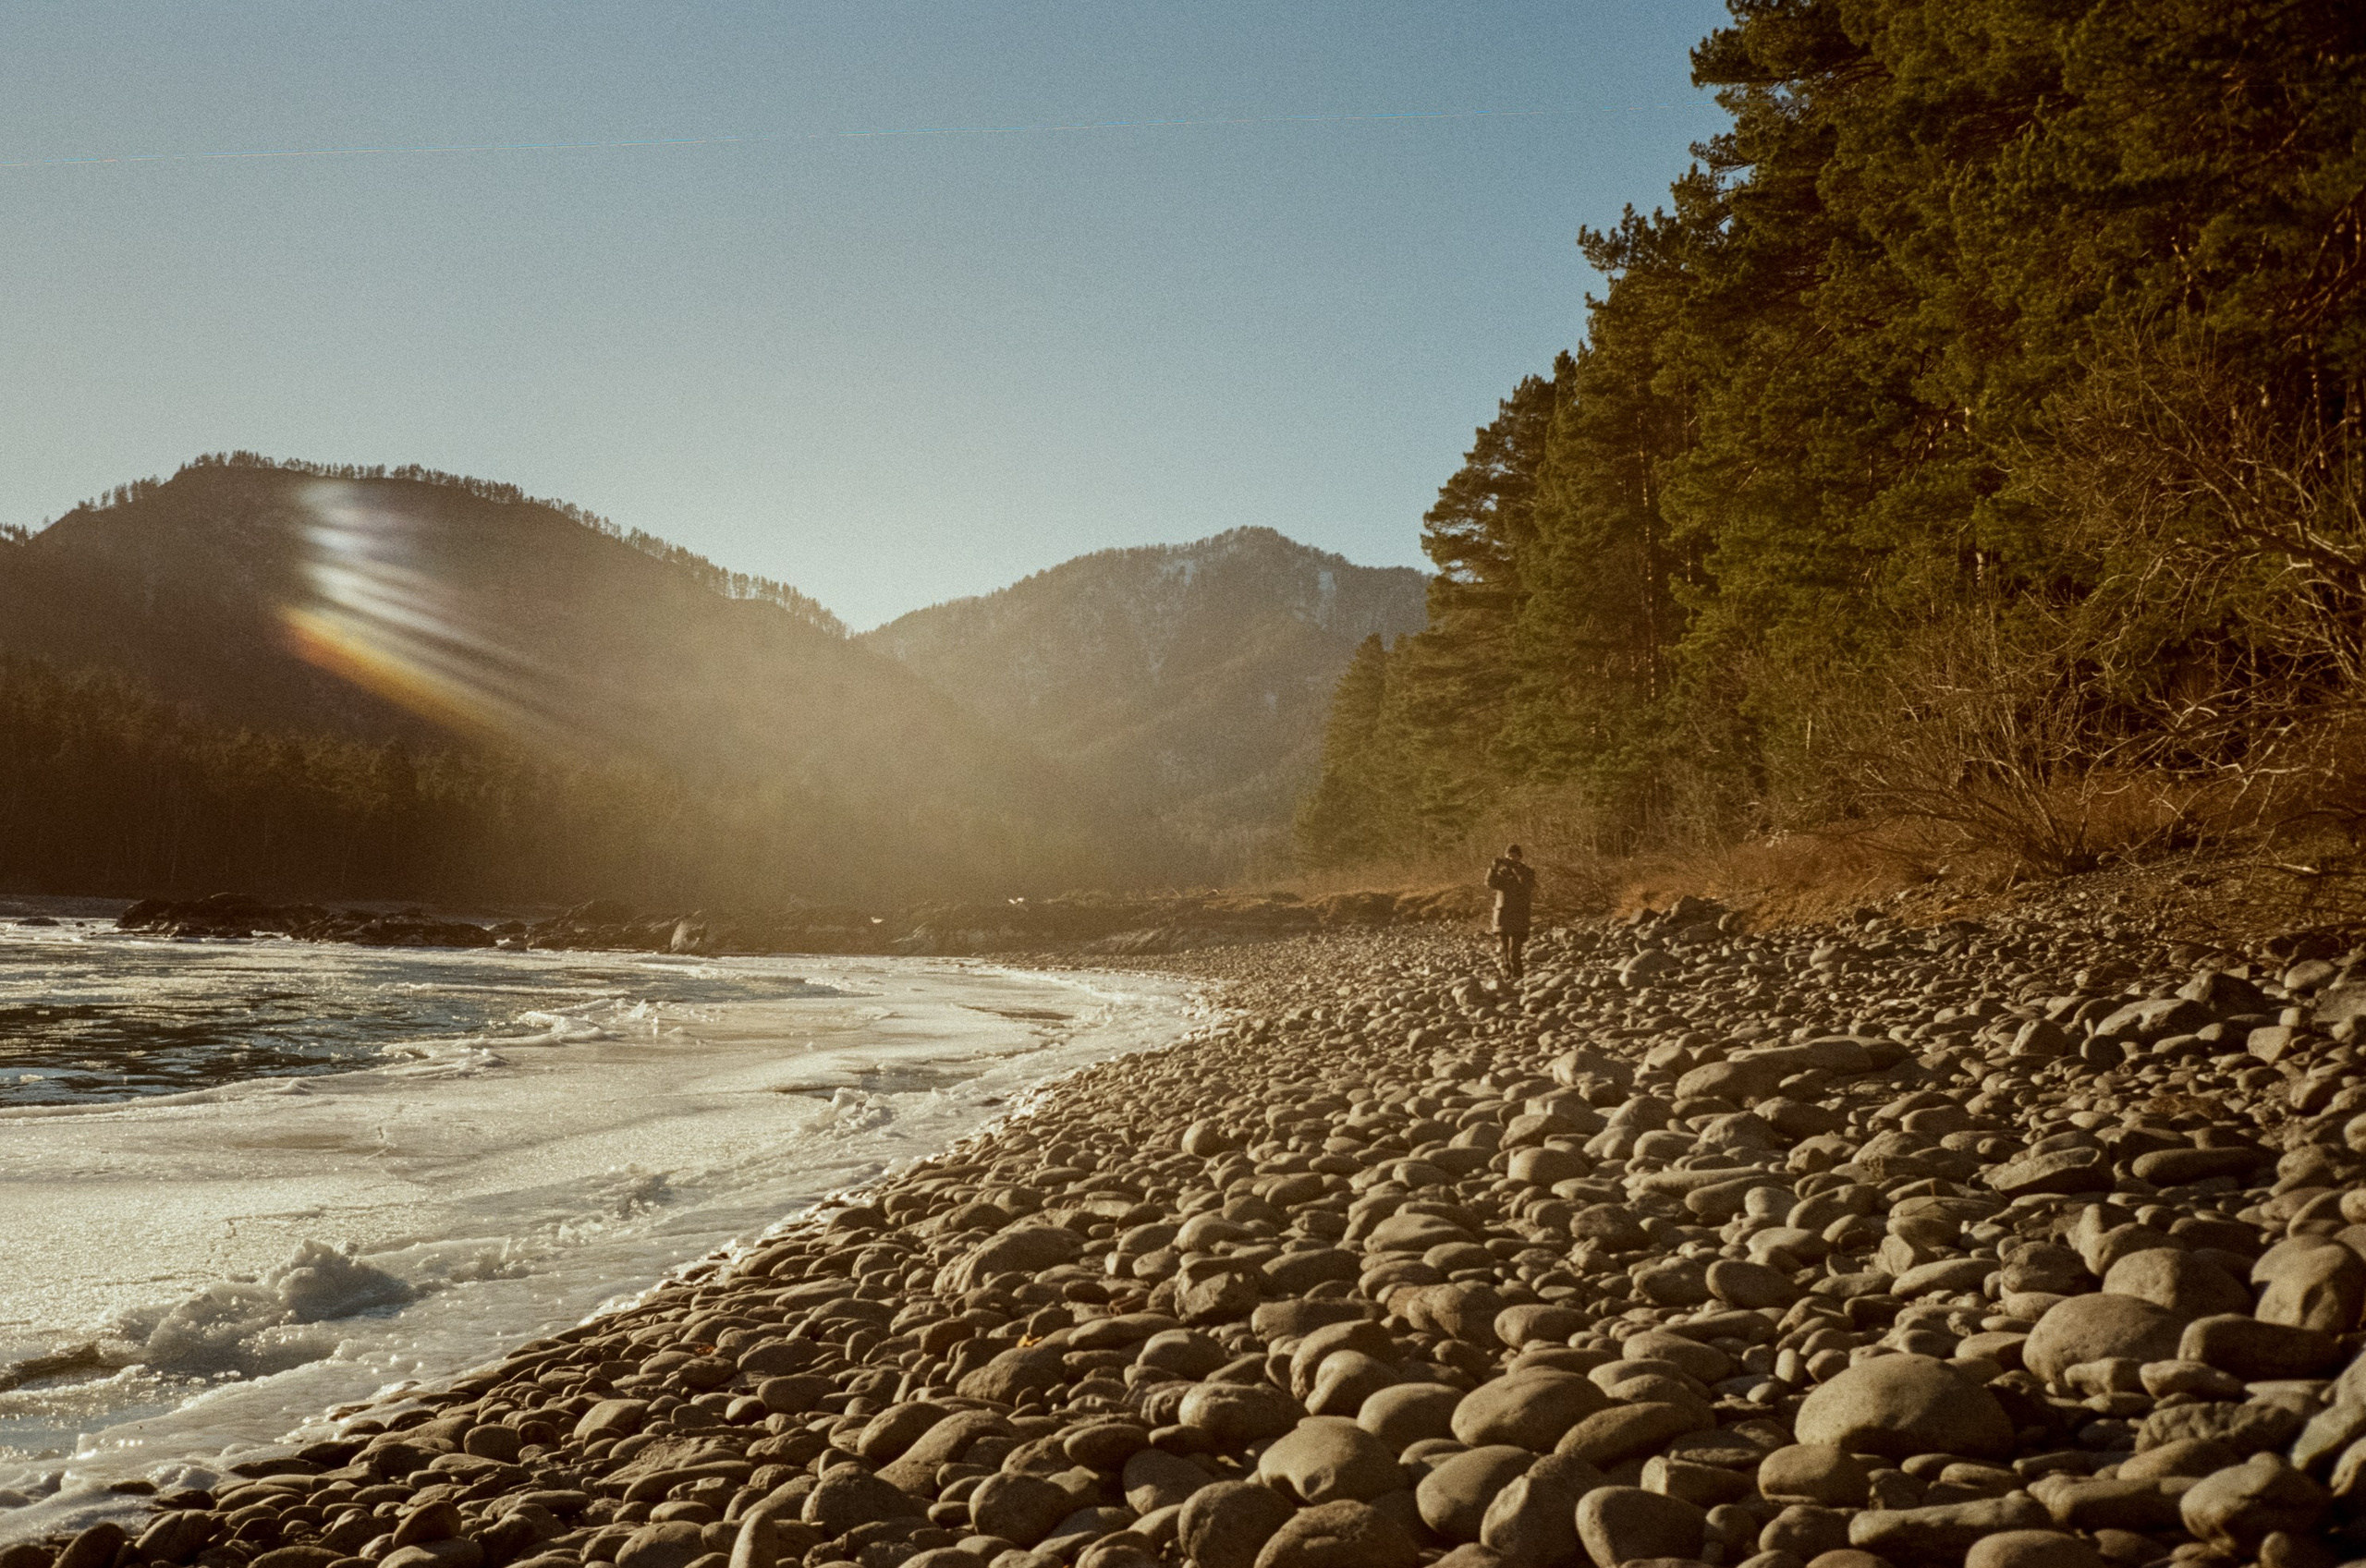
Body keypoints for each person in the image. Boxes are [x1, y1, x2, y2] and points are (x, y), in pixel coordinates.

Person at [1486, 844, 1537, 979]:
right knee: (1504, 950)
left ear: (1520, 857)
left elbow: (1527, 885)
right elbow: (1490, 883)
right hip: (1502, 916)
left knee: (1514, 952)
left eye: (1514, 856)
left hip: (1519, 916)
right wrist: (1493, 868)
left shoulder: (1527, 871)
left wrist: (1516, 870)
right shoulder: (1502, 873)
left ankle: (1518, 976)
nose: (1511, 858)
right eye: (1509, 856)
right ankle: (1508, 975)